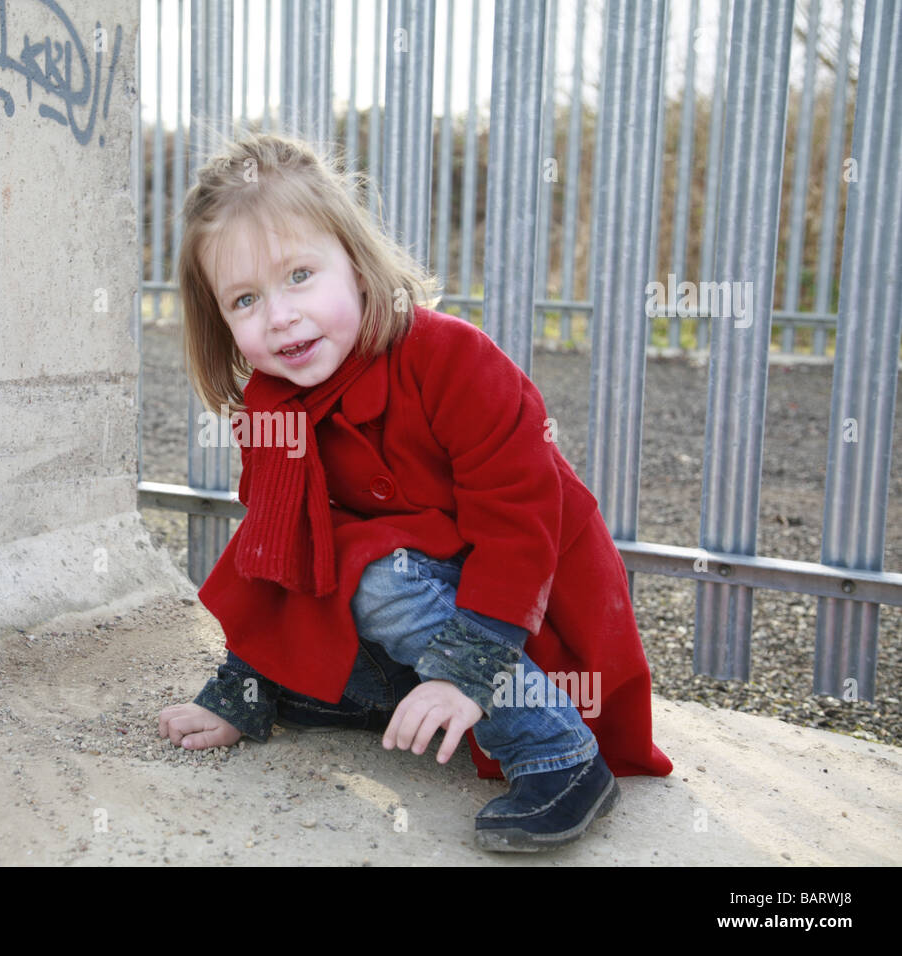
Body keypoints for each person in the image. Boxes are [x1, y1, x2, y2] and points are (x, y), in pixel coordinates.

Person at [157, 130, 672, 852]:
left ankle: (557, 754)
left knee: (376, 576)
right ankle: (353, 693)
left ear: (358, 266)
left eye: (300, 275)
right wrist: (247, 685)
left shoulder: (452, 360)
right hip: (434, 600)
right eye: (245, 299)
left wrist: (466, 672)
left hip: (528, 606)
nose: (279, 316)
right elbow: (280, 551)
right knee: (342, 560)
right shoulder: (277, 407)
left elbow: (521, 528)